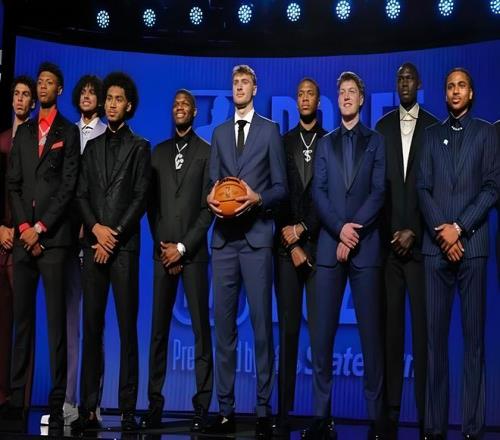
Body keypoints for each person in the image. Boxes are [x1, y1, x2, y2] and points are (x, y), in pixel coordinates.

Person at [417, 68, 499, 440]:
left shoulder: (486, 133)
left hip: (473, 246)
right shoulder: (430, 136)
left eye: (461, 85)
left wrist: (459, 228)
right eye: (450, 86)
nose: (455, 91)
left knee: (474, 343)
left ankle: (472, 429)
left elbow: (492, 187)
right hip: (436, 250)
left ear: (471, 93)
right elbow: (422, 189)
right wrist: (444, 233)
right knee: (434, 344)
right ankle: (434, 428)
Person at [206, 64, 287, 438]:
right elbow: (212, 183)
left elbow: (281, 188)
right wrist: (211, 198)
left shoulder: (270, 131)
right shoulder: (219, 133)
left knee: (261, 329)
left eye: (245, 82)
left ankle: (263, 409)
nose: (239, 87)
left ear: (255, 88)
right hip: (224, 241)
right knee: (223, 330)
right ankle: (225, 410)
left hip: (256, 240)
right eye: (235, 82)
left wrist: (258, 198)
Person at [307, 71, 386, 440]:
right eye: (341, 92)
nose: (346, 96)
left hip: (365, 249)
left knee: (371, 338)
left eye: (352, 91)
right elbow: (319, 194)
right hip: (329, 246)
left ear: (362, 99)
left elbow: (378, 192)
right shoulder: (325, 143)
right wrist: (340, 229)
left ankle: (375, 420)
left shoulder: (377, 141)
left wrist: (351, 233)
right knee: (321, 337)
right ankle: (321, 417)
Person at [73, 72, 151, 432]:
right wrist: (97, 230)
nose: (112, 104)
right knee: (91, 328)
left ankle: (128, 410)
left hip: (123, 249)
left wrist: (113, 235)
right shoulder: (91, 147)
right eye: (109, 99)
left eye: (118, 99)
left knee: (127, 329)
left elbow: (140, 197)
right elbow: (81, 195)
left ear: (129, 105)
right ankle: (88, 408)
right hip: (94, 245)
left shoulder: (140, 146)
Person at [6, 62, 80, 434]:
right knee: (22, 322)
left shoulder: (68, 131)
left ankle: (56, 402)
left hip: (53, 240)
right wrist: (23, 227)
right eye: (40, 82)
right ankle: (15, 400)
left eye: (49, 82)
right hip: (24, 240)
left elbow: (68, 187)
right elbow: (13, 184)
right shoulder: (24, 132)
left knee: (55, 325)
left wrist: (40, 228)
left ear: (59, 89)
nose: (43, 86)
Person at [140, 89, 213, 432]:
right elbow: (150, 206)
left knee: (201, 332)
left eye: (186, 104)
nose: (180, 108)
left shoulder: (207, 152)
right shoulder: (158, 153)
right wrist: (164, 246)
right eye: (176, 104)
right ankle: (154, 404)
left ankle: (202, 407)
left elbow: (207, 209)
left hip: (193, 255)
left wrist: (182, 248)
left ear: (194, 112)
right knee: (158, 332)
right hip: (161, 253)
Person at [375, 62, 438, 438]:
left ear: (419, 83)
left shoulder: (433, 127)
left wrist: (414, 230)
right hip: (388, 250)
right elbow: (377, 189)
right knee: (391, 334)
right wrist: (392, 233)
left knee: (424, 334)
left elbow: (438, 187)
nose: (404, 83)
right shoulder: (381, 127)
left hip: (423, 248)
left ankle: (427, 414)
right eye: (399, 78)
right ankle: (392, 413)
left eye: (409, 77)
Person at [44, 74, 107, 427]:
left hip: (94, 235)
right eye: (82, 92)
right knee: (70, 323)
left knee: (94, 322)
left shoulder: (106, 133)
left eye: (92, 93)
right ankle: (67, 400)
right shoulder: (66, 132)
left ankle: (92, 403)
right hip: (65, 236)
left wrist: (91, 224)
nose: (86, 97)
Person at [273, 77, 326, 436]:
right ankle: (284, 413)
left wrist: (304, 230)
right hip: (286, 250)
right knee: (289, 332)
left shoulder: (330, 141)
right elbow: (277, 195)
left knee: (321, 334)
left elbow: (332, 194)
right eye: (301, 94)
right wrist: (291, 244)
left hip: (320, 246)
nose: (305, 98)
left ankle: (323, 415)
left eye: (310, 94)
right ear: (296, 101)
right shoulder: (283, 142)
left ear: (318, 101)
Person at [0, 75, 36, 412]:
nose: (20, 99)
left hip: (25, 237)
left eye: (26, 94)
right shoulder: (2, 140)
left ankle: (20, 400)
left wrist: (21, 227)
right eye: (17, 94)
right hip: (1, 236)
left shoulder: (37, 139)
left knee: (24, 320)